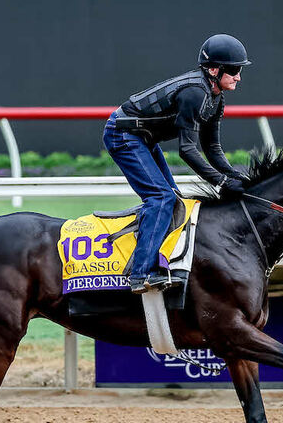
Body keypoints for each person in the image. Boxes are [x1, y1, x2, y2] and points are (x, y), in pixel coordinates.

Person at [103, 34, 251, 294]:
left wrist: (235, 177)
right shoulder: (195, 93)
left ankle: (161, 261)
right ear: (214, 70)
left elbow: (213, 149)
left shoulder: (216, 98)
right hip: (122, 133)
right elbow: (187, 150)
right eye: (235, 70)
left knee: (174, 199)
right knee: (161, 198)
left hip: (142, 136)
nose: (239, 76)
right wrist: (221, 181)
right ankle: (140, 274)